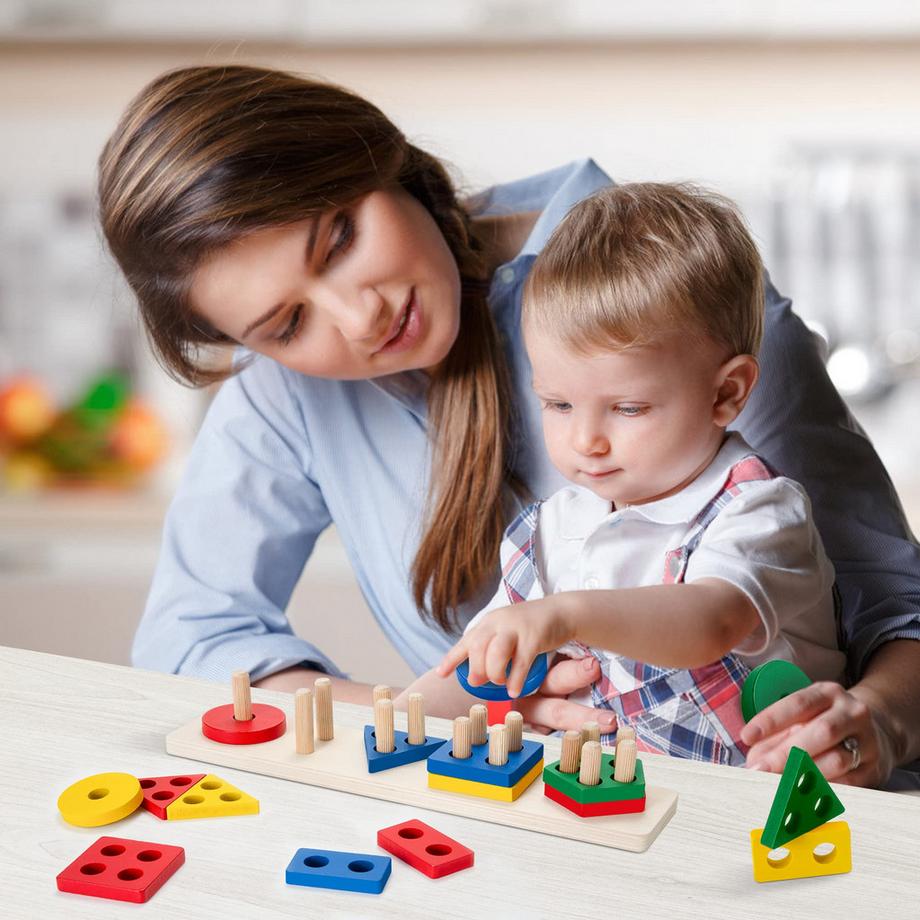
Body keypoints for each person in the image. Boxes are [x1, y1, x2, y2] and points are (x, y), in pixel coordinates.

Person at [96, 64, 920, 789]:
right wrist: (458, 717)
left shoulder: (664, 307)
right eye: (284, 325)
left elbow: (897, 611)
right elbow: (190, 638)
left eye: (340, 238)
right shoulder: (286, 391)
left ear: (376, 154)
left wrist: (876, 721)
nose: (360, 315)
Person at [428, 182, 844, 766]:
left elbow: (711, 621)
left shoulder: (760, 510)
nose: (585, 441)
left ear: (726, 393)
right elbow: (478, 671)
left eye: (627, 408)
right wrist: (399, 716)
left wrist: (565, 612)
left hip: (776, 810)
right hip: (617, 803)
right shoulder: (551, 529)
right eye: (558, 404)